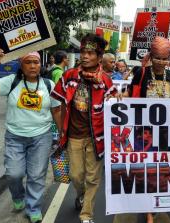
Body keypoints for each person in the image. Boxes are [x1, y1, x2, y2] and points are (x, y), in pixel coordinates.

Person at [0, 48, 62, 223]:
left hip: (42, 137)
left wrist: (62, 133)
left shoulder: (49, 85)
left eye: (36, 62)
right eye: (28, 62)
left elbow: (56, 110)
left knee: (36, 175)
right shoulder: (12, 81)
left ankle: (33, 207)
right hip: (15, 137)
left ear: (40, 65)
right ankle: (18, 196)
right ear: (21, 64)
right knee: (14, 174)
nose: (33, 66)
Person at [51, 34, 118, 223]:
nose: (85, 56)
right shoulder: (69, 75)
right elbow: (56, 103)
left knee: (93, 178)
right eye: (83, 52)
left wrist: (118, 98)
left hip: (97, 138)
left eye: (90, 53)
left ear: (98, 57)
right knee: (76, 175)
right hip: (73, 136)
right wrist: (61, 128)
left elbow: (116, 106)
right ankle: (80, 194)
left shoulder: (106, 81)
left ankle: (86, 214)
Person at [125, 36, 170, 223]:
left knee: (162, 169)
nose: (161, 62)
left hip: (165, 133)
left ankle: (155, 202)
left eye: (165, 58)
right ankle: (149, 212)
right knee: (147, 169)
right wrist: (118, 96)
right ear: (151, 56)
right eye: (157, 57)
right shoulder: (141, 73)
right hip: (144, 132)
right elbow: (129, 94)